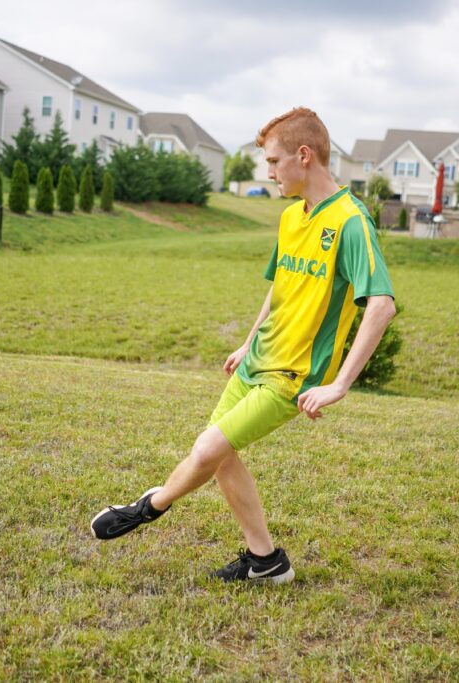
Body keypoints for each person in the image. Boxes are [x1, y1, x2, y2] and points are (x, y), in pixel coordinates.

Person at [91, 107, 395, 584]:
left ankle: (147, 507)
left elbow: (381, 304)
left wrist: (338, 384)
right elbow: (280, 288)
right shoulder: (292, 217)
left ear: (304, 155)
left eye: (274, 162)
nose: (268, 172)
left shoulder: (352, 222)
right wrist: (248, 341)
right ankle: (266, 561)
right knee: (220, 456)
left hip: (294, 376)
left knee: (209, 447)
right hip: (257, 361)